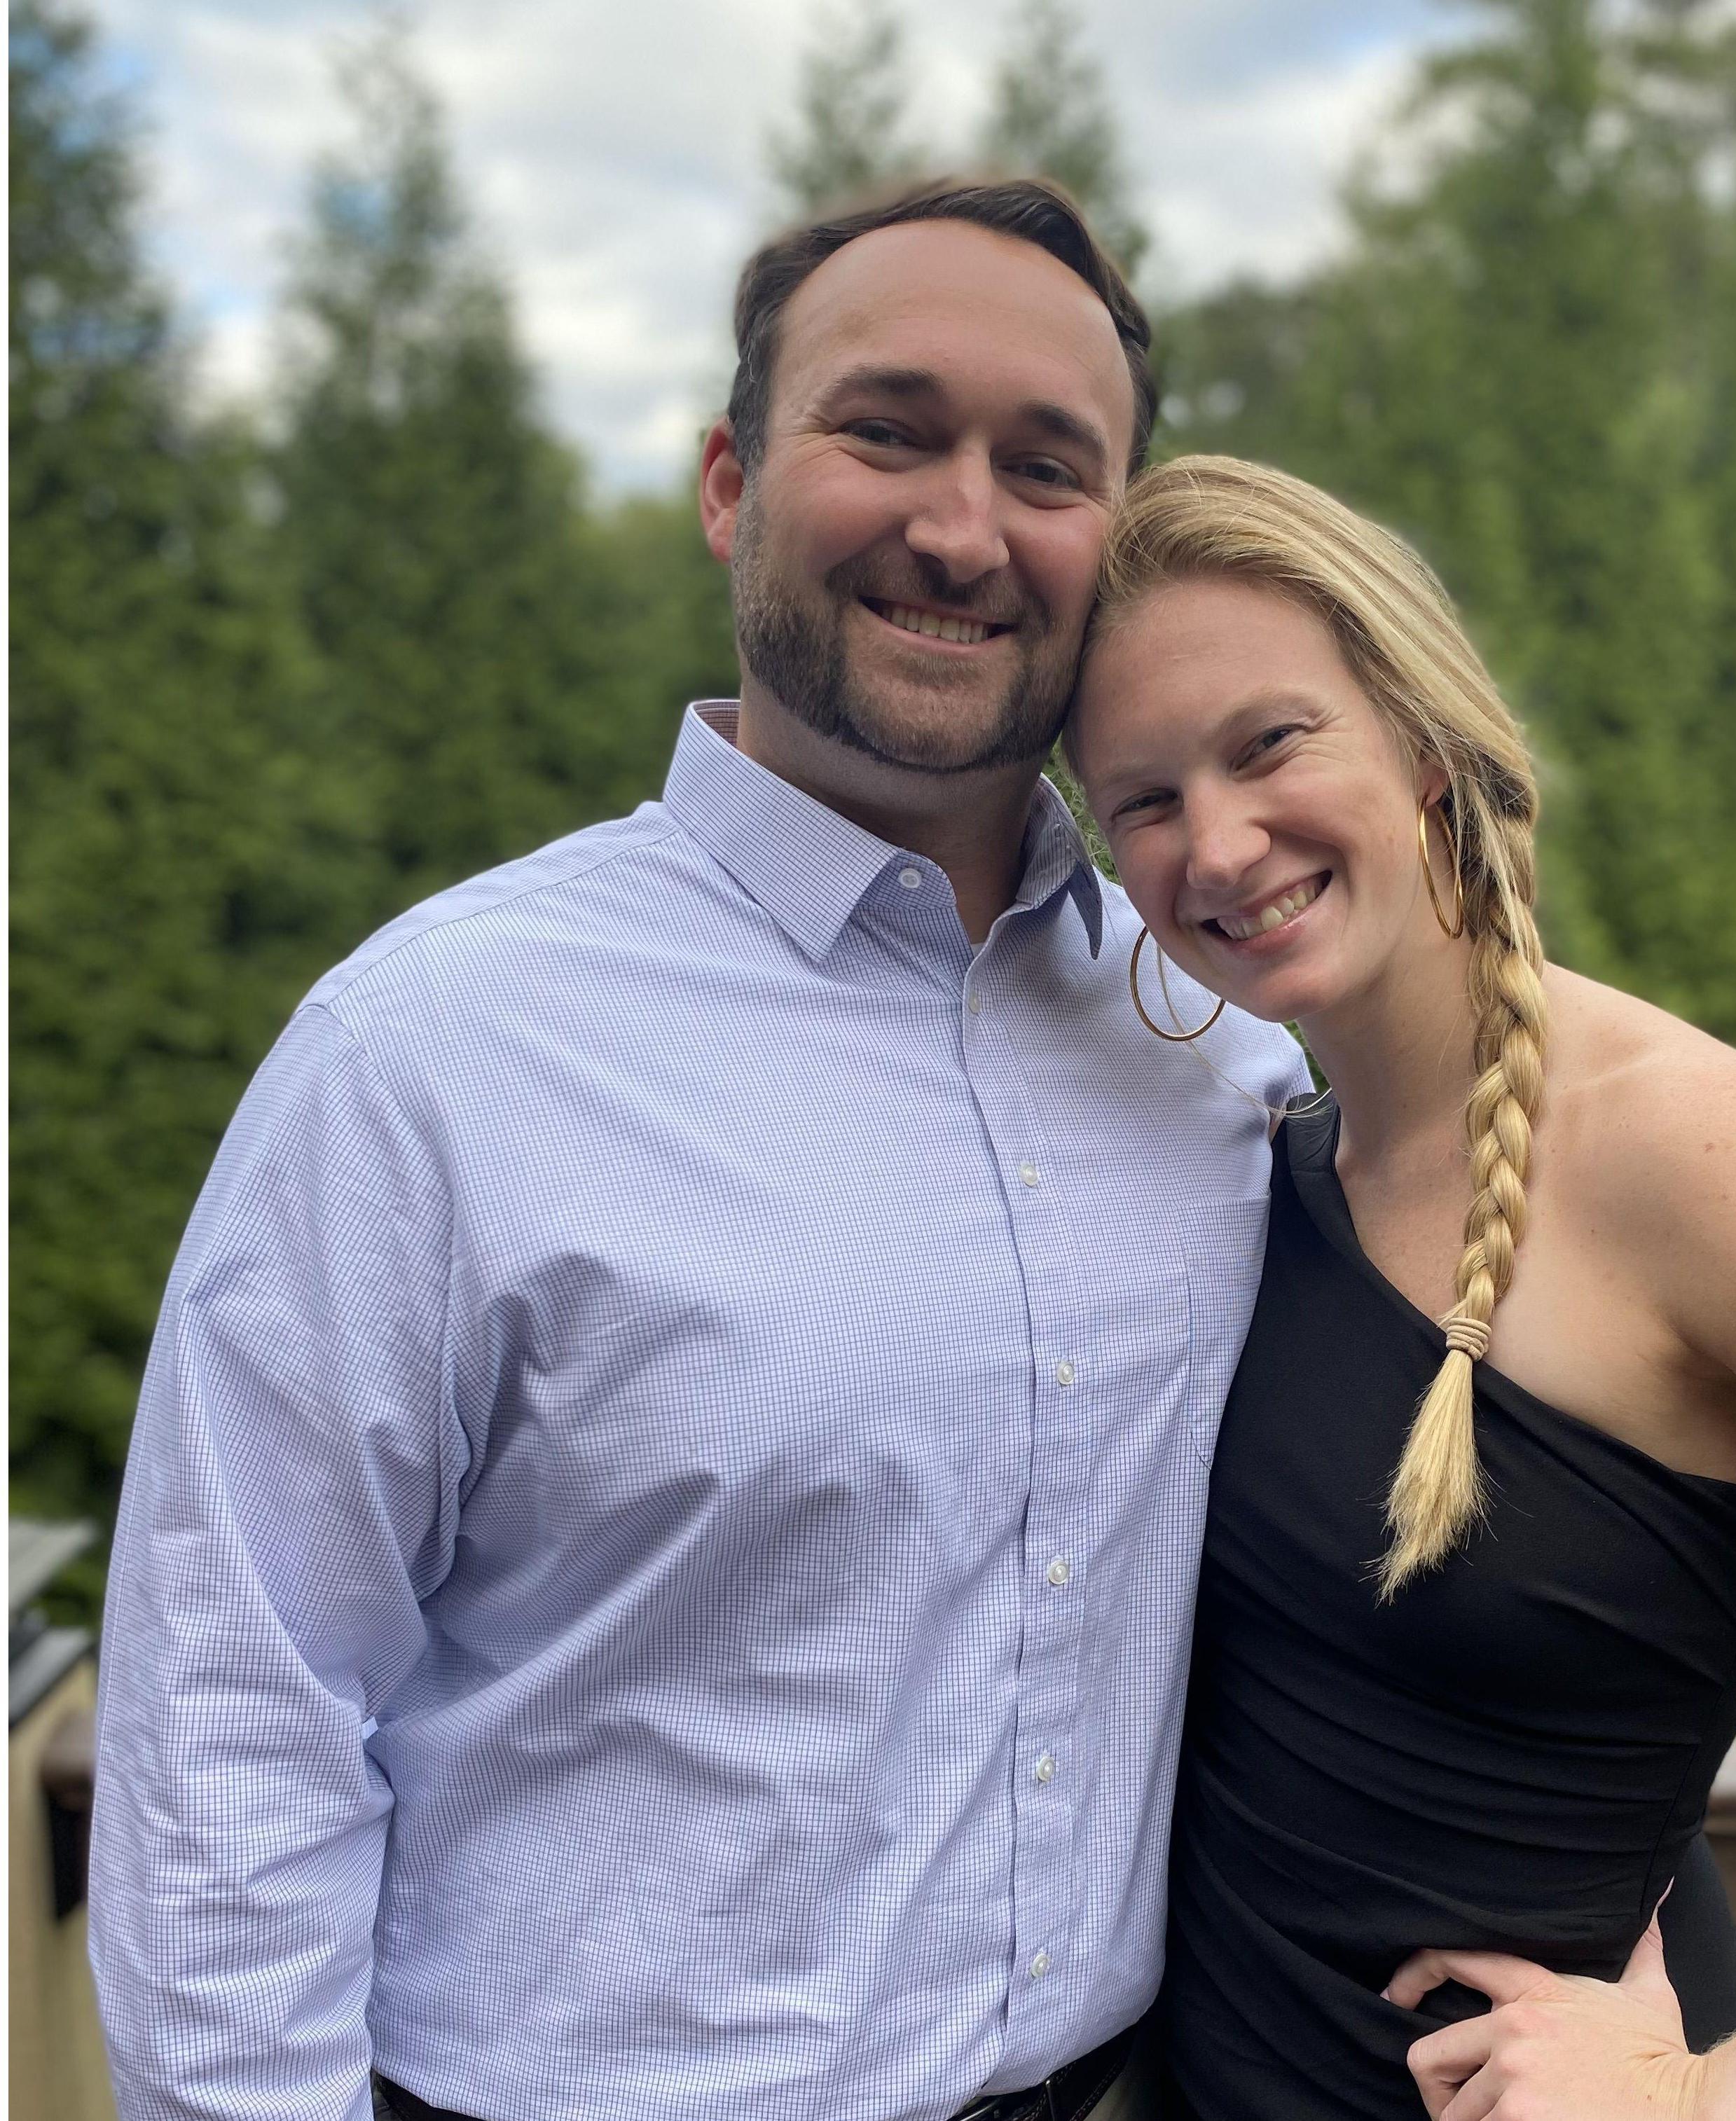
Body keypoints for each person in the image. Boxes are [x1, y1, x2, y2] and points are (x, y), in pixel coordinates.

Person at [87, 182, 1309, 2121]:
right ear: (729, 485)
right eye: (884, 430)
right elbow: (235, 1724)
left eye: (1044, 466)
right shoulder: (434, 1050)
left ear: (1117, 540)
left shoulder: (1225, 1050)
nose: (961, 528)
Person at [1066, 454, 1736, 2120]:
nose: (1216, 840)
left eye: (1267, 742)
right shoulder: (1265, 1171)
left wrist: (1732, 2093)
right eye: (1141, 799)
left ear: (1422, 736)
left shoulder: (1690, 1152)